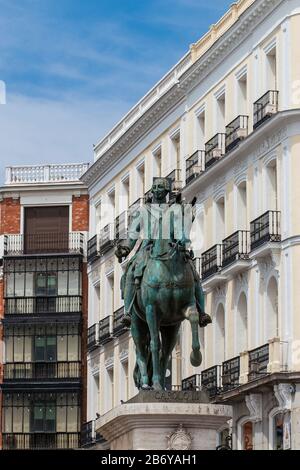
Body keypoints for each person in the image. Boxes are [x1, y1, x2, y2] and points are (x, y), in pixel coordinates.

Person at [115, 177, 211, 327]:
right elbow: (133, 234)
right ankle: (128, 312)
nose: (158, 190)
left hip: (173, 248)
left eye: (161, 187)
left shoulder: (173, 210)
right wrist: (126, 248)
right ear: (152, 190)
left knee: (193, 272)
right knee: (130, 272)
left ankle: (202, 312)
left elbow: (181, 229)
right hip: (147, 249)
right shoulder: (143, 211)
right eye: (156, 187)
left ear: (166, 191)